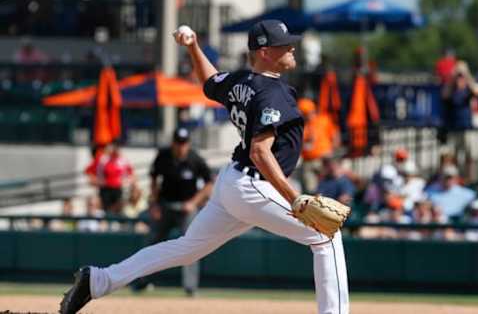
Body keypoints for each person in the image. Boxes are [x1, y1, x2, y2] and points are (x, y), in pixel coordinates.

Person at [59, 20, 349, 314]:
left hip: (233, 182)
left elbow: (210, 82)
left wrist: (193, 47)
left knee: (187, 249)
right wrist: (295, 198)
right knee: (326, 235)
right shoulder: (271, 93)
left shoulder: (241, 82)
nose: (291, 47)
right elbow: (260, 152)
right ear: (265, 52)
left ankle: (99, 280)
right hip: (254, 183)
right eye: (284, 44)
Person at [131, 127, 213, 296]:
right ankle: (142, 281)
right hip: (165, 205)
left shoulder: (194, 159)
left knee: (192, 246)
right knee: (152, 242)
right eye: (178, 143)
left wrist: (193, 202)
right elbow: (154, 179)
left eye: (183, 143)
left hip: (186, 208)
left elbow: (209, 183)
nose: (180, 146)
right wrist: (153, 204)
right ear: (173, 143)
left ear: (188, 144)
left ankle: (190, 287)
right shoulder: (164, 156)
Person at [298, 97, 340, 194]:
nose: (308, 115)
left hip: (324, 160)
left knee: (329, 187)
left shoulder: (323, 120)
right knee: (311, 190)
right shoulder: (301, 125)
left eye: (309, 112)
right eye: (305, 114)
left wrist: (332, 152)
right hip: (308, 162)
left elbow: (335, 135)